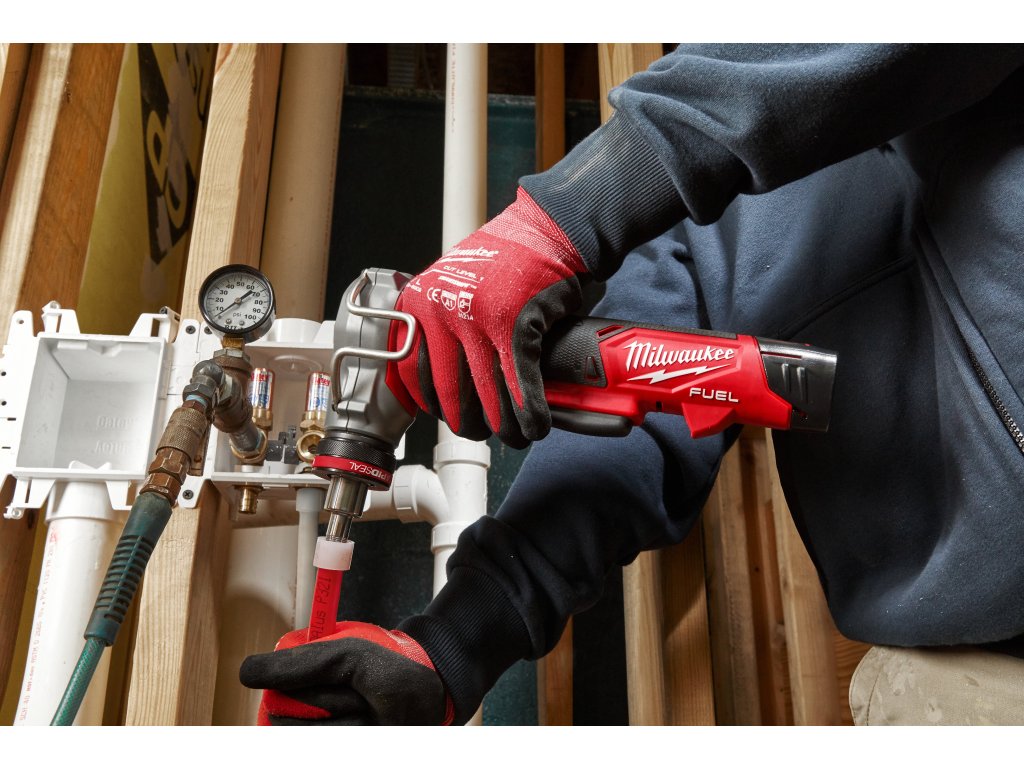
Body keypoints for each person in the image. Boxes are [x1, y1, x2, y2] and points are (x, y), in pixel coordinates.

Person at [239, 44, 1024, 725]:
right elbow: (649, 399)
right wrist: (452, 643)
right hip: (985, 654)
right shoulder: (710, 221)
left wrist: (567, 212)